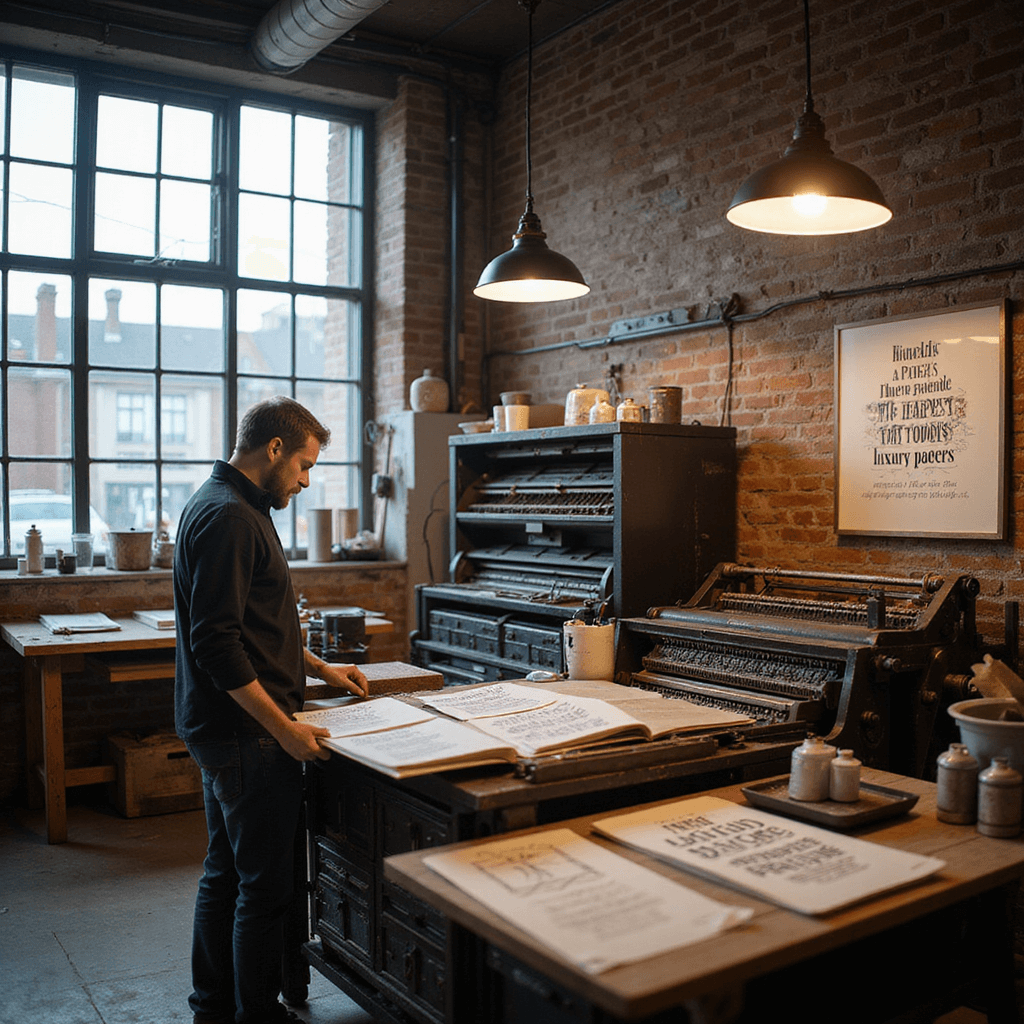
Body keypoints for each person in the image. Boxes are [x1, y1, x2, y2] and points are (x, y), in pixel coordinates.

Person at [174, 396, 368, 1024]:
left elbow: (264, 627)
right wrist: (283, 730)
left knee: (225, 875)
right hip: (246, 736)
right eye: (305, 465)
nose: (307, 481)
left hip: (229, 732)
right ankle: (254, 1015)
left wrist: (320, 668)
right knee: (261, 888)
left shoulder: (235, 506)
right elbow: (218, 646)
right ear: (275, 449)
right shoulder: (229, 517)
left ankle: (214, 1008)